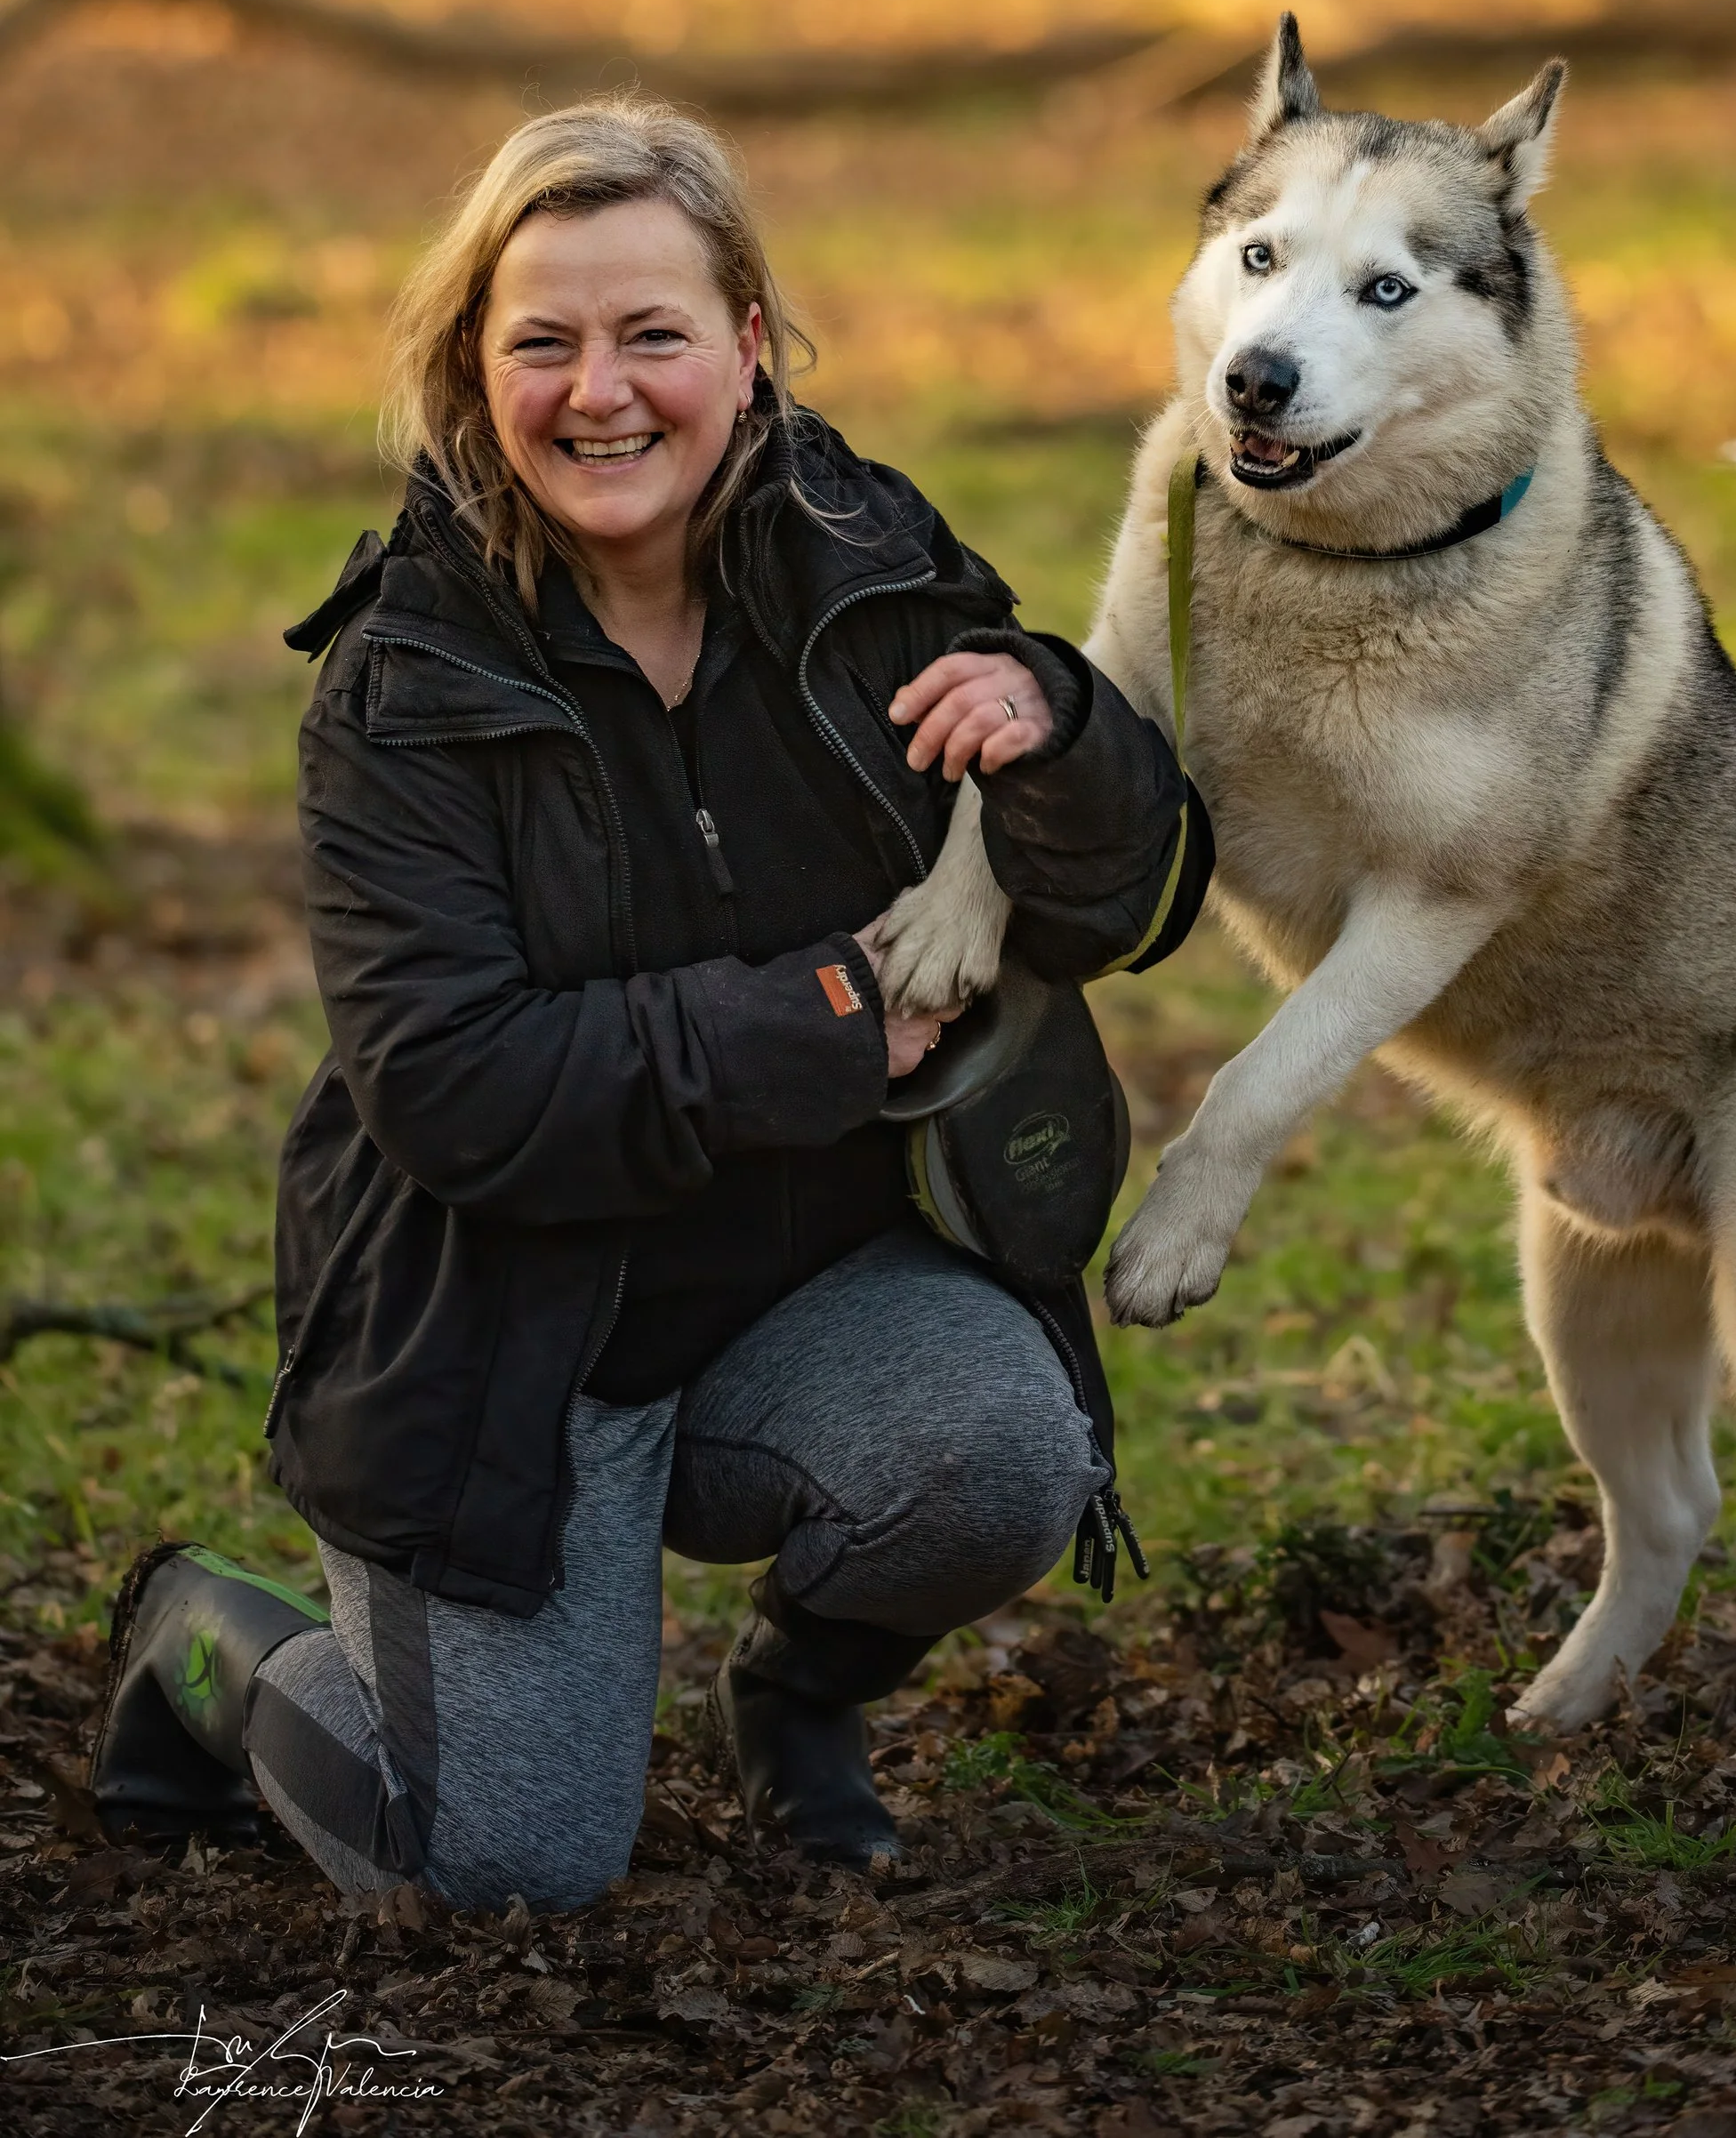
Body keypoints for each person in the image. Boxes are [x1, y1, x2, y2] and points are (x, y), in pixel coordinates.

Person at [91, 100, 1208, 1906]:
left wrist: (1060, 740)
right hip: (513, 1341)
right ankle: (209, 1649)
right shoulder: (407, 681)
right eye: (541, 341)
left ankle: (797, 1697)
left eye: (652, 335)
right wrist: (831, 1014)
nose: (597, 392)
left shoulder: (866, 568)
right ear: (476, 366)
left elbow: (1116, 901)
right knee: (492, 1870)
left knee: (998, 1456)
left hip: (808, 1285)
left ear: (748, 348)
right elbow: (454, 1081)